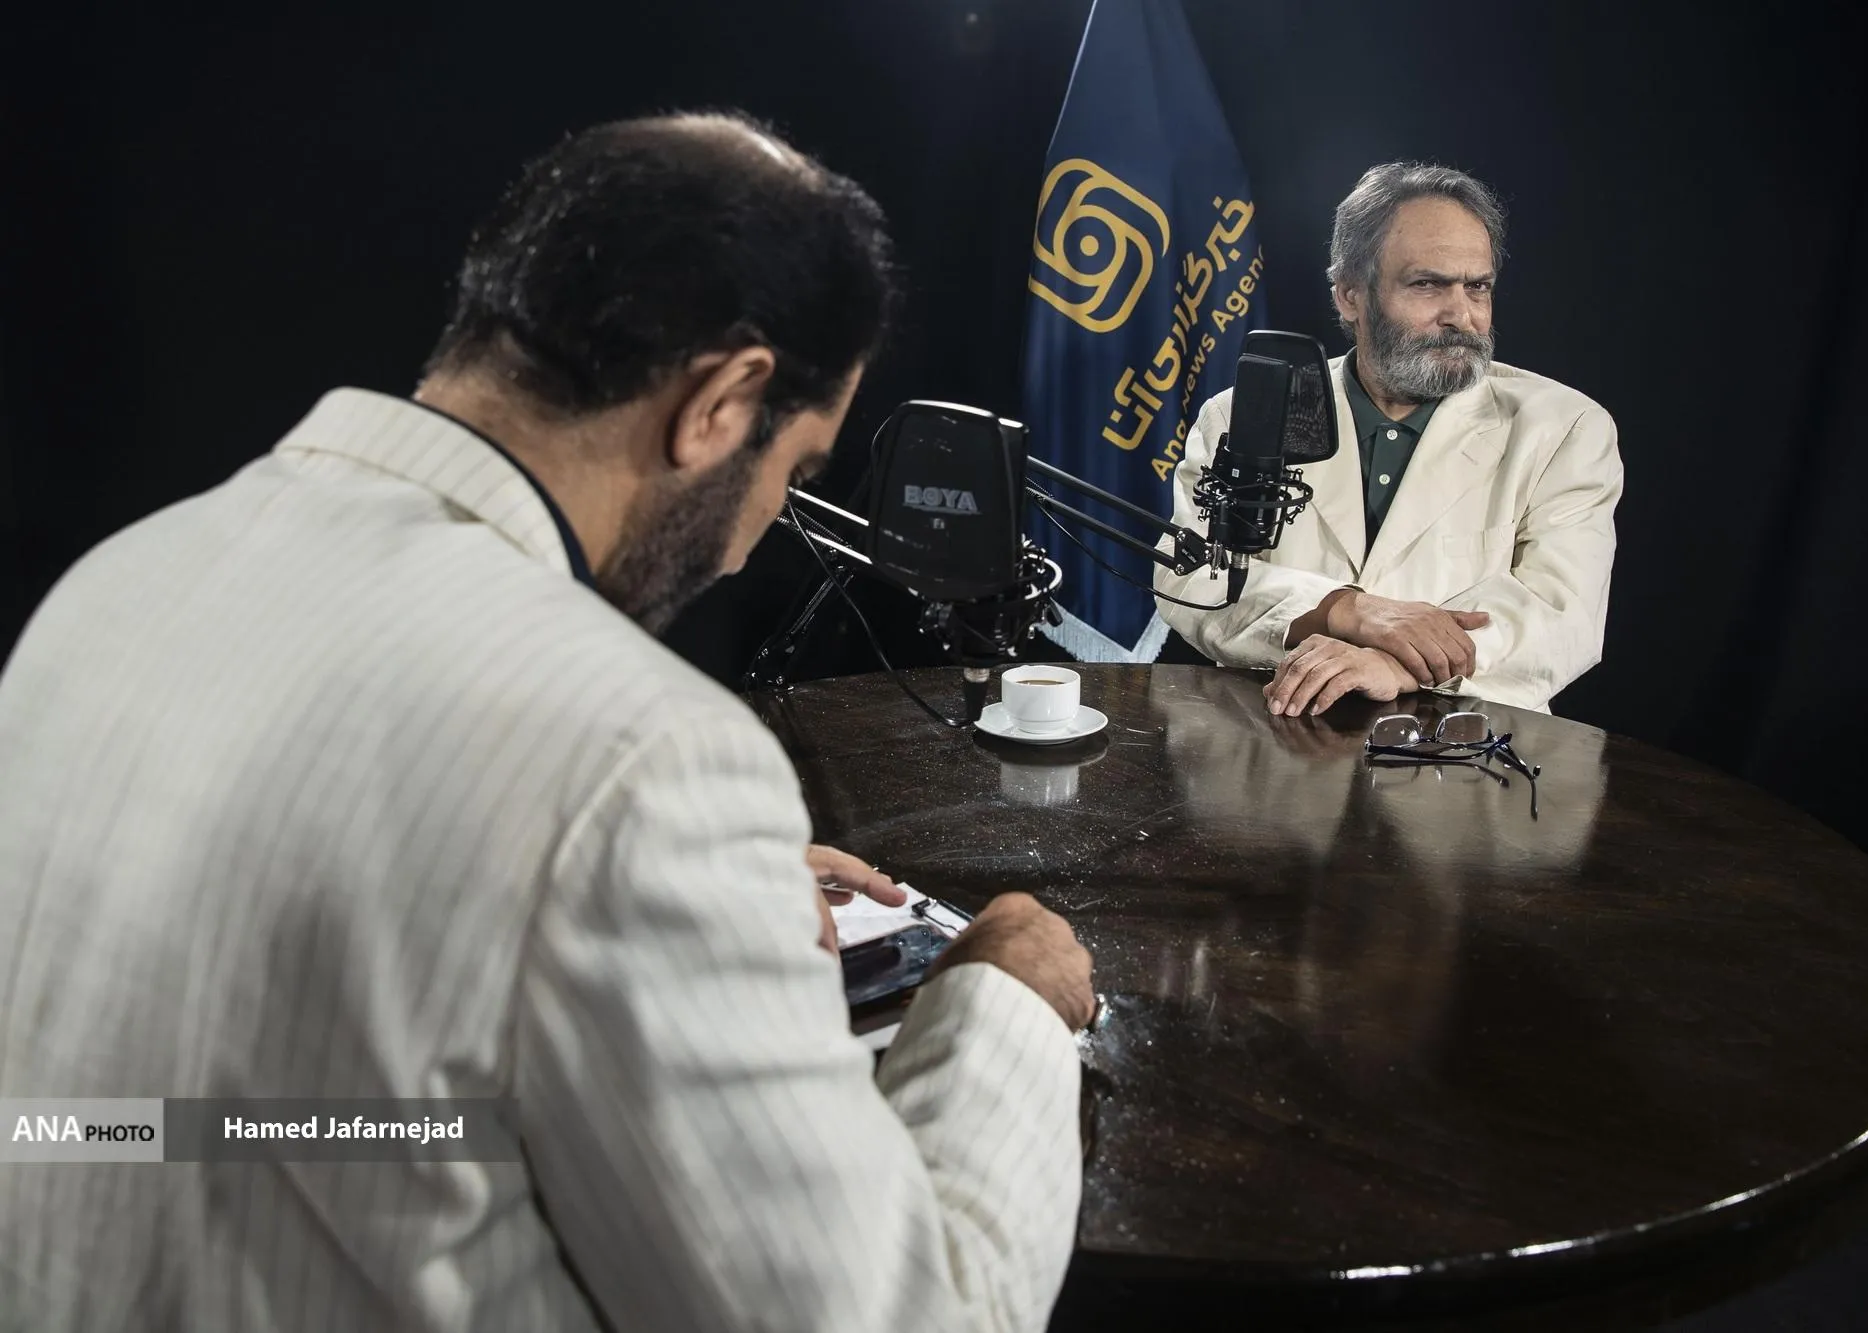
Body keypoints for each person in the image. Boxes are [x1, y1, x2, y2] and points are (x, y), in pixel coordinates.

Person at [0, 113, 1094, 1332]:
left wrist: (671, 899)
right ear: (723, 401)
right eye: (794, 470)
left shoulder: (121, 576)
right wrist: (997, 996)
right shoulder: (643, 759)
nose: (748, 549)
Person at [1154, 162, 1623, 716]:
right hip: (1268, 732)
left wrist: (1395, 665)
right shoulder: (1243, 413)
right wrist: (1344, 610)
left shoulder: (1564, 427)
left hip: (1459, 747)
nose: (1462, 315)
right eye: (1427, 284)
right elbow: (1190, 580)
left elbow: (1561, 616)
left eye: (1477, 287)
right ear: (1350, 296)